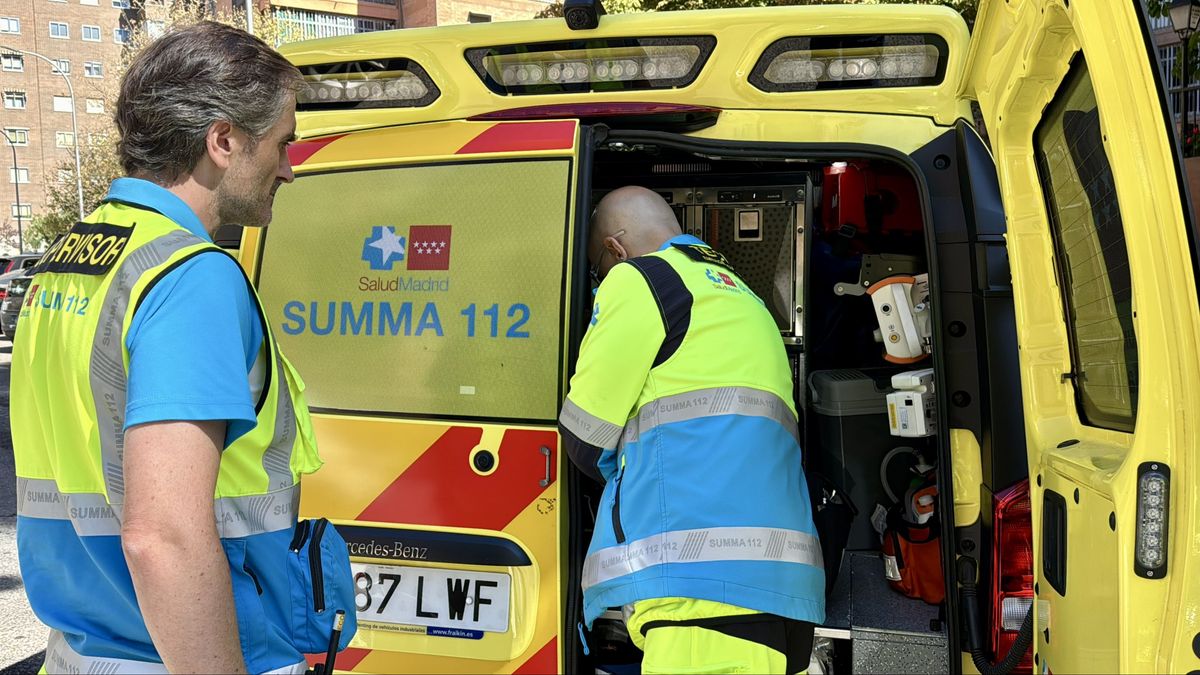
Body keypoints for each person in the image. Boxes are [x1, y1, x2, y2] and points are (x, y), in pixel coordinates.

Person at [11, 22, 334, 674]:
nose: (290, 169)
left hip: (80, 652)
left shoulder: (67, 260)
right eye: (282, 144)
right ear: (223, 141)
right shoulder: (189, 276)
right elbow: (163, 536)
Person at [559, 186, 826, 674]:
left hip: (699, 589)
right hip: (778, 591)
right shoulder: (740, 293)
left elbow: (584, 437)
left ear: (615, 251)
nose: (602, 281)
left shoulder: (641, 279)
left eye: (599, 270)